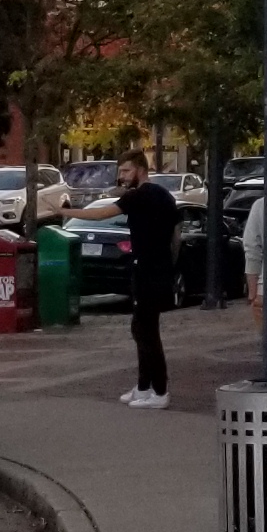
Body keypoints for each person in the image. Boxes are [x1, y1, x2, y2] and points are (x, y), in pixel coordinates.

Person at [115, 153, 182, 411]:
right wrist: (169, 264)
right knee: (142, 327)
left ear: (141, 169)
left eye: (126, 170)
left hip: (146, 270)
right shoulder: (164, 196)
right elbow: (176, 235)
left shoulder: (138, 196)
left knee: (146, 331)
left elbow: (101, 213)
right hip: (158, 269)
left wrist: (63, 211)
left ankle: (160, 390)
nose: (122, 176)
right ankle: (144, 386)